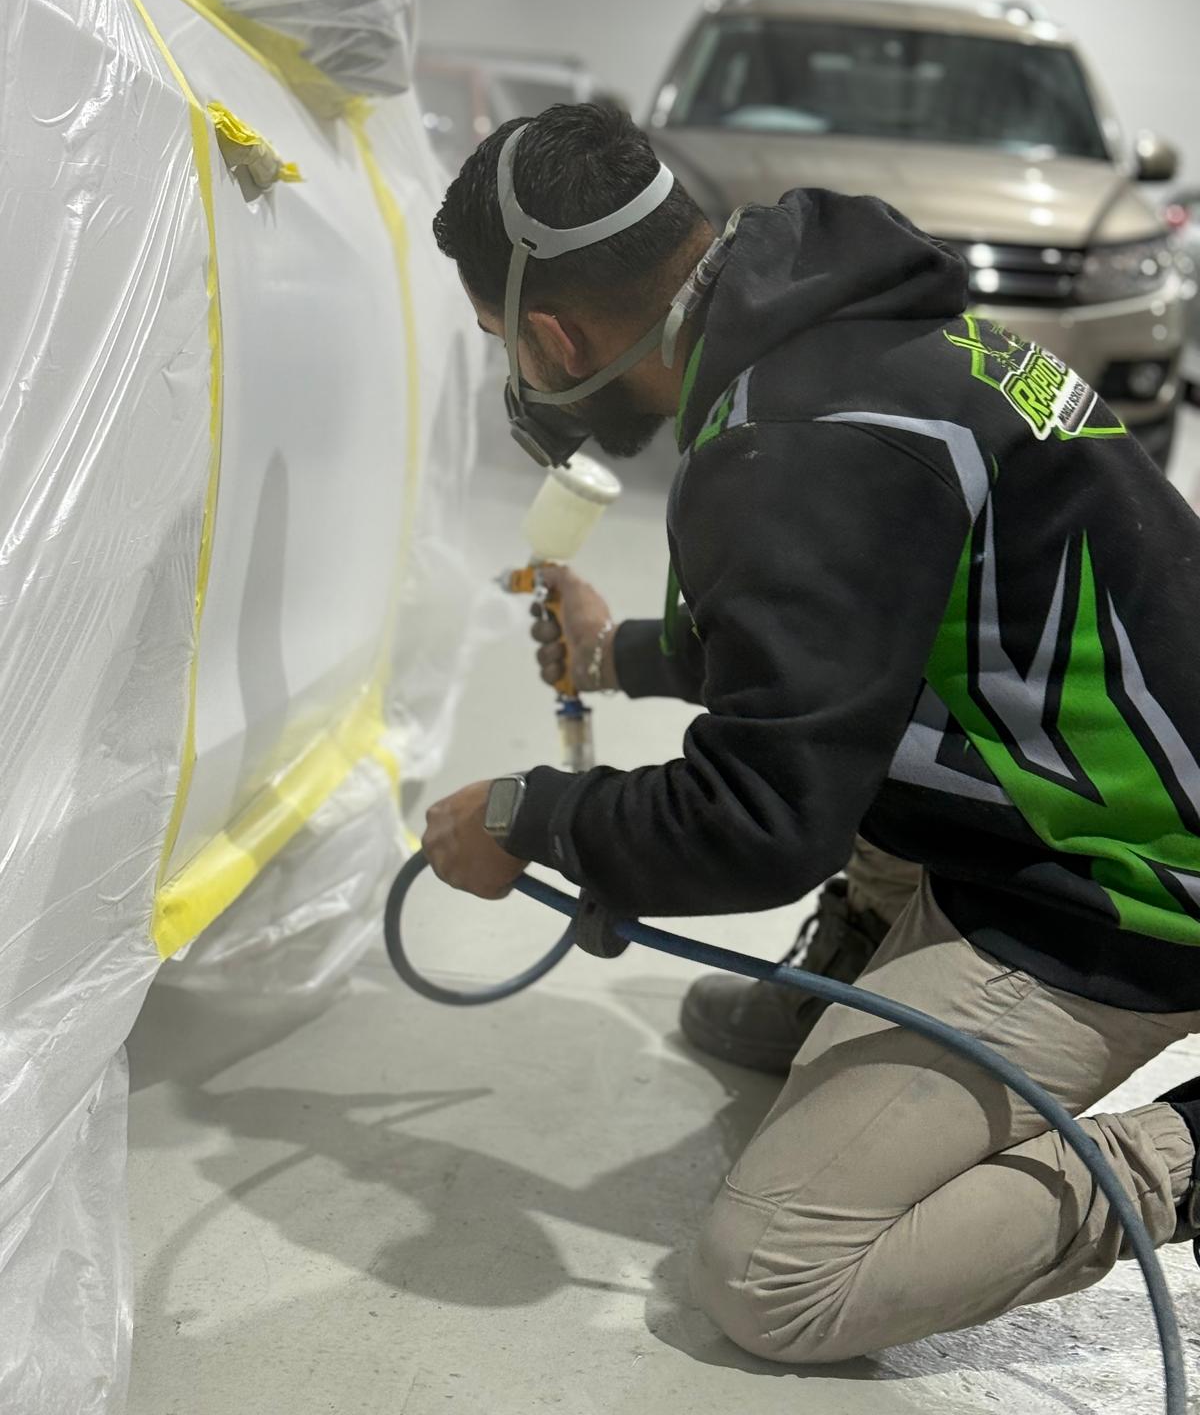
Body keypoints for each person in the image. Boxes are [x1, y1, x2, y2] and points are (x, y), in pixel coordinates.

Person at [421, 100, 1200, 1364]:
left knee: (775, 1276)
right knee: (724, 1027)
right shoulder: (834, 326)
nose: (520, 369)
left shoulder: (793, 446)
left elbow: (759, 821)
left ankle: (1184, 1151)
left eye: (506, 342)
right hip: (1116, 765)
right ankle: (875, 936)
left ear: (557, 334)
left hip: (1131, 881)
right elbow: (855, 618)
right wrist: (619, 656)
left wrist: (532, 817)